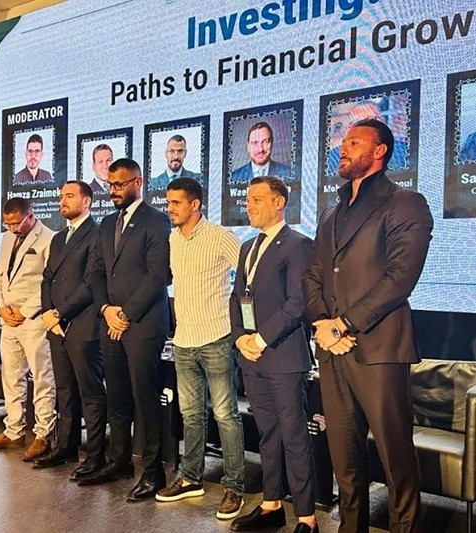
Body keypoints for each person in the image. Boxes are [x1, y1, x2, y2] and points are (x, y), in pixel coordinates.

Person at [302, 118, 433, 533]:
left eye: (354, 142)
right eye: (343, 141)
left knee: (395, 459)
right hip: (332, 350)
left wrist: (343, 324)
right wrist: (323, 324)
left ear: (379, 151)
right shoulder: (330, 212)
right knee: (345, 458)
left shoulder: (405, 202)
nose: (343, 148)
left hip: (379, 348)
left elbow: (400, 277)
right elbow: (313, 275)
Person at [229, 176, 318, 533]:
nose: (248, 205)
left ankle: (307, 518)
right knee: (267, 434)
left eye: (256, 199)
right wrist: (240, 338)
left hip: (283, 357)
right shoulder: (247, 247)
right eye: (248, 199)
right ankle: (271, 505)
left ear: (279, 203)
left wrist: (262, 339)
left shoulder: (299, 245)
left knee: (294, 436)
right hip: (251, 357)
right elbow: (237, 297)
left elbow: (298, 303)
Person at [81, 158, 171, 502]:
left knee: (145, 399)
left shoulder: (156, 220)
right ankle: (118, 462)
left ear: (138, 182)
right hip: (111, 323)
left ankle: (153, 473)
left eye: (119, 185)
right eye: (110, 185)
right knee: (117, 396)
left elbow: (157, 275)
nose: (113, 191)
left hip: (143, 325)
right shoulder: (106, 224)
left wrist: (125, 314)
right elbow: (95, 272)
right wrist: (106, 310)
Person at [155, 178, 245, 520]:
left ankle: (234, 486)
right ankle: (191, 478)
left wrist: (243, 325)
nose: (170, 209)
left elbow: (248, 276)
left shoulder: (220, 236)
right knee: (191, 415)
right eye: (168, 203)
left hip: (217, 337)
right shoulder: (173, 238)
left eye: (176, 203)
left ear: (195, 205)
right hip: (183, 341)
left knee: (226, 415)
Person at [36, 181, 108, 480]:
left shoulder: (97, 234)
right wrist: (48, 313)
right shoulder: (58, 238)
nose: (61, 201)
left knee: (90, 393)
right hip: (57, 326)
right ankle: (65, 447)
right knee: (64, 390)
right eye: (60, 196)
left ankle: (95, 455)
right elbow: (47, 278)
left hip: (83, 324)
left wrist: (60, 313)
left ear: (87, 201)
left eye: (69, 196)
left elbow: (91, 282)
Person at [0, 198, 56, 461]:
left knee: (42, 377)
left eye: (16, 223)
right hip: (8, 320)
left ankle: (43, 434)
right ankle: (13, 431)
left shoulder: (49, 239)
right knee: (11, 377)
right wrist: (0, 308)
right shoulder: (6, 239)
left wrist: (24, 311)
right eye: (7, 224)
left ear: (30, 216)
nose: (12, 228)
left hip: (33, 320)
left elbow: (49, 283)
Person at [326, 101, 407, 175]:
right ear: (349, 128)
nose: (368, 127)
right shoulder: (333, 157)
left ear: (383, 122)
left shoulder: (403, 150)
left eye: (374, 120)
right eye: (359, 122)